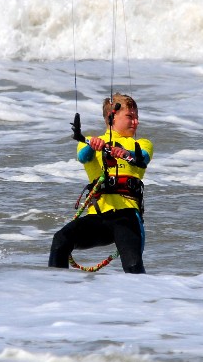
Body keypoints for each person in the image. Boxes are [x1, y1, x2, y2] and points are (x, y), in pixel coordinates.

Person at [48, 93, 153, 273]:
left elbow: (141, 158)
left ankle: (142, 299)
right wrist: (92, 145)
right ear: (112, 116)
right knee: (60, 240)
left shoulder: (141, 143)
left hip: (127, 218)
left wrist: (124, 152)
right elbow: (84, 156)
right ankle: (58, 292)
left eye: (137, 117)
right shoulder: (88, 142)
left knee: (134, 267)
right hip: (98, 218)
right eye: (130, 117)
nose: (135, 122)